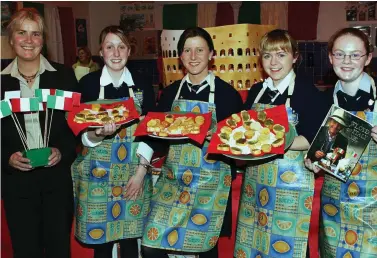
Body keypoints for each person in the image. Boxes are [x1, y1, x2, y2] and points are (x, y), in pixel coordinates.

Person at [140, 27, 243, 258]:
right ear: (181, 56)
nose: (193, 56)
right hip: (174, 182)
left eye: (200, 50)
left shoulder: (228, 95)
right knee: (150, 245)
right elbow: (154, 138)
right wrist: (140, 169)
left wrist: (220, 137)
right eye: (187, 50)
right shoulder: (169, 94)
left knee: (205, 247)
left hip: (211, 186)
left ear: (211, 54)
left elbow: (242, 145)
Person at [234, 29, 327, 258]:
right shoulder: (257, 92)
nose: (273, 62)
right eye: (267, 55)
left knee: (290, 247)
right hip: (256, 184)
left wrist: (273, 142)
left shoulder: (307, 92)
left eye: (281, 54)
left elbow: (313, 139)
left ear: (295, 57)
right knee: (256, 243)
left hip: (292, 185)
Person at [70, 25, 156, 258]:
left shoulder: (142, 85)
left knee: (130, 239)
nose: (116, 53)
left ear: (129, 51)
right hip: (98, 175)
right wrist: (98, 134)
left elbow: (150, 131)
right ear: (101, 52)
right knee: (102, 243)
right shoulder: (87, 85)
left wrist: (140, 173)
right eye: (110, 47)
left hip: (132, 174)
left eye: (121, 47)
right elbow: (79, 133)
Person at [1, 8, 77, 258]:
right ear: (11, 38)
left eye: (36, 34)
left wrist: (61, 151)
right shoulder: (0, 84)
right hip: (16, 184)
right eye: (22, 33)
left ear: (43, 40)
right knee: (25, 251)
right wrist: (6, 158)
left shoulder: (64, 77)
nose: (29, 40)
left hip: (57, 182)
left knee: (59, 250)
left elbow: (75, 127)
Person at [305, 27, 377, 258]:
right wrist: (312, 161)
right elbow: (317, 149)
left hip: (372, 205)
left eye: (355, 55)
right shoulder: (322, 101)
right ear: (330, 57)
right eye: (339, 54)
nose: (347, 61)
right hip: (334, 203)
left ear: (368, 58)